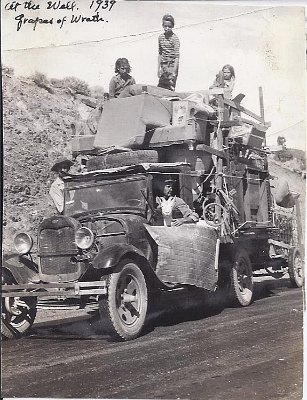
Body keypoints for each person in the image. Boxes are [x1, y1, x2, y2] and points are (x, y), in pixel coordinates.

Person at [158, 14, 180, 91]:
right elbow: (160, 53)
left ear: (172, 26)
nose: (167, 28)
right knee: (161, 88)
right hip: (163, 66)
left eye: (169, 26)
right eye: (165, 26)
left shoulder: (175, 39)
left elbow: (177, 57)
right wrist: (158, 69)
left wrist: (174, 72)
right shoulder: (161, 37)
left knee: (170, 88)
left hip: (172, 65)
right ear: (163, 25)